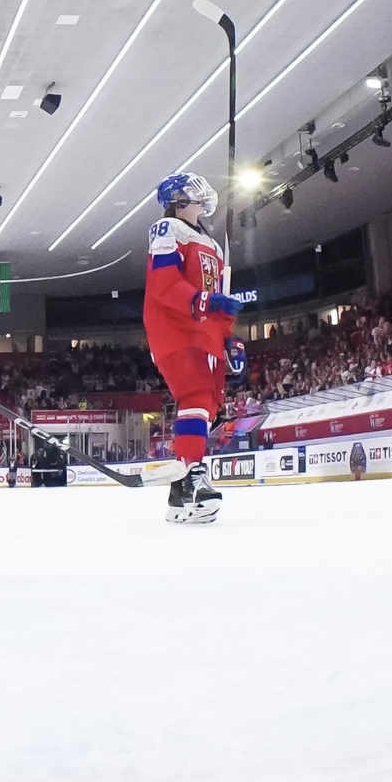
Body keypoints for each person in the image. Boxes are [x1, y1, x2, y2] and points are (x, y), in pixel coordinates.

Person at [143, 173, 244, 525]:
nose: (203, 199)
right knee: (197, 397)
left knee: (208, 405)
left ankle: (181, 493)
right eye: (194, 194)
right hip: (176, 328)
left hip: (204, 333)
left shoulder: (212, 244)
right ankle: (194, 478)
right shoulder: (166, 230)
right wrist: (207, 301)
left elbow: (215, 302)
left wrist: (230, 338)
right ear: (177, 200)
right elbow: (165, 286)